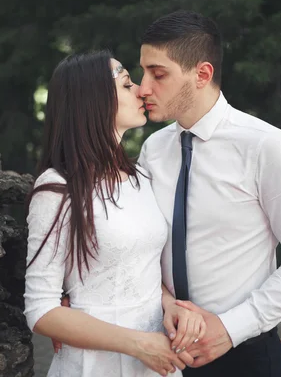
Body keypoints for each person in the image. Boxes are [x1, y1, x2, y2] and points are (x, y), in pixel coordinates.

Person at [137, 10, 281, 376]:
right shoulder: (153, 149)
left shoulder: (266, 147)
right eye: (144, 72)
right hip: (162, 349)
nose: (144, 87)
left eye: (158, 74)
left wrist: (230, 328)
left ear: (202, 74)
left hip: (243, 355)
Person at [23, 50, 206, 377]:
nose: (141, 90)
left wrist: (170, 305)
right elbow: (41, 310)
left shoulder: (140, 176)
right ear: (92, 101)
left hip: (156, 361)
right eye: (126, 84)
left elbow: (142, 267)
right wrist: (137, 344)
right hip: (95, 365)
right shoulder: (58, 187)